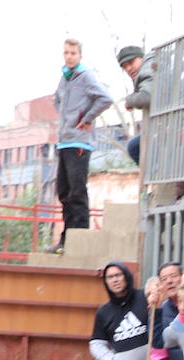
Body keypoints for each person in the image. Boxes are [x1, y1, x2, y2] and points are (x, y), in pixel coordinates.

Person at [53, 39, 113, 253]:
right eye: (66, 53)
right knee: (63, 191)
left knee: (77, 192)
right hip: (63, 141)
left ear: (80, 55)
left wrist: (86, 118)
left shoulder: (86, 76)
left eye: (73, 53)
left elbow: (105, 98)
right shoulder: (64, 78)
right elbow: (57, 101)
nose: (69, 56)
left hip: (79, 141)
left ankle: (79, 238)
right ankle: (66, 239)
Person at [117, 46, 153, 166]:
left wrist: (129, 101)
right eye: (124, 66)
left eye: (131, 62)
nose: (128, 68)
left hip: (181, 126)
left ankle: (154, 174)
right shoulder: (148, 70)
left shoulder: (148, 68)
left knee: (134, 147)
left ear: (142, 58)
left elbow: (146, 97)